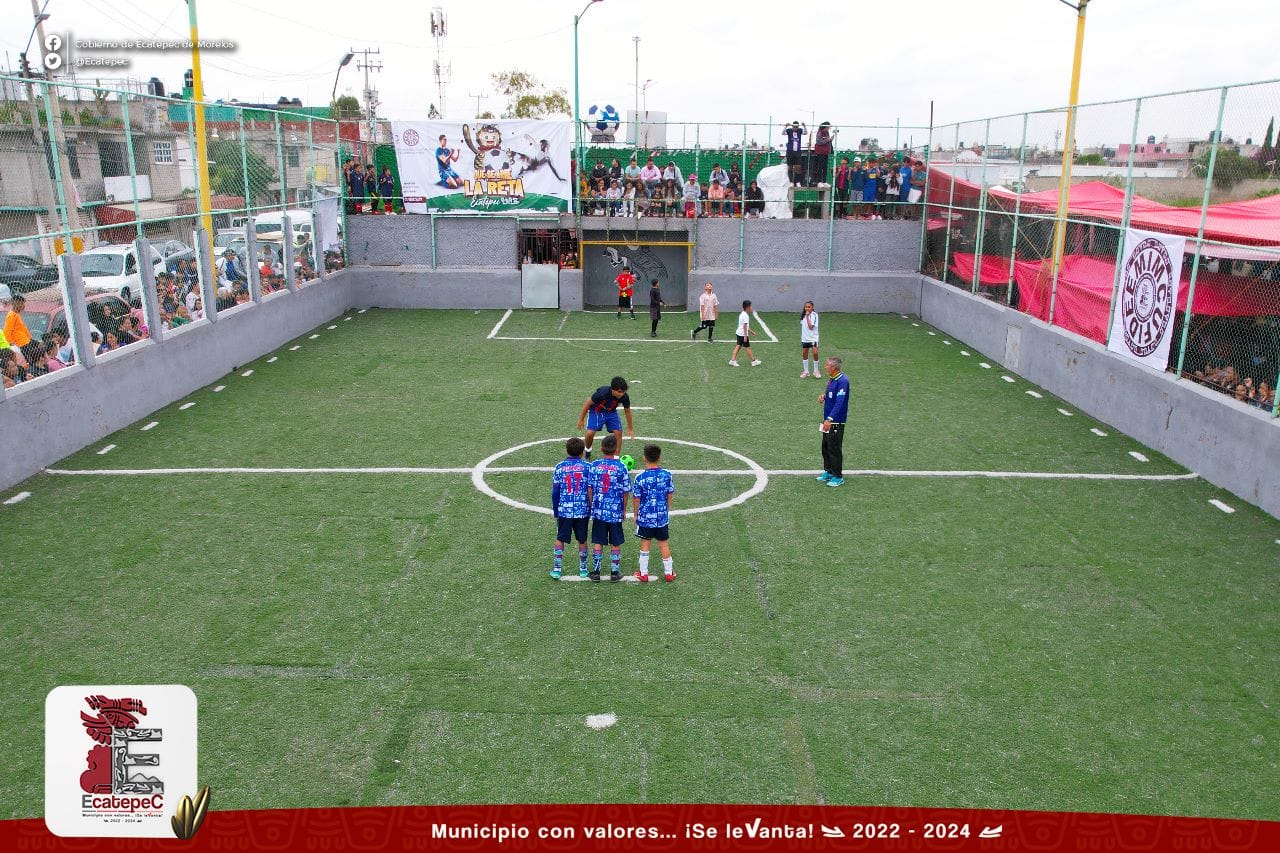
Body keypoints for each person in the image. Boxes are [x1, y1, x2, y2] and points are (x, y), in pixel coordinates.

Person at [587, 434, 631, 582]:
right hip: (615, 512)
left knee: (598, 541)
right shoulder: (622, 467)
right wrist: (624, 510)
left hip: (599, 511)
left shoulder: (594, 465)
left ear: (601, 449)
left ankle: (596, 572)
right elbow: (626, 492)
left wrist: (592, 505)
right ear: (616, 449)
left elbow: (590, 488)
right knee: (615, 542)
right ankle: (614, 572)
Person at [631, 443, 675, 582]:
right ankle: (668, 573)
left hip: (645, 518)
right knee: (663, 543)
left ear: (644, 458)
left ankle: (643, 573)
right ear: (659, 458)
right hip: (661, 517)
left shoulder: (640, 478)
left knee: (645, 543)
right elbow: (669, 494)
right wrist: (666, 510)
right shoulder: (667, 475)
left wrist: (636, 514)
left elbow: (636, 499)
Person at [550, 437, 592, 580]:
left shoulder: (560, 467)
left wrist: (556, 510)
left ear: (567, 451)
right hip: (582, 510)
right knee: (582, 539)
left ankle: (557, 569)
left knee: (560, 538)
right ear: (582, 452)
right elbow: (591, 489)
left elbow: (555, 491)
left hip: (565, 510)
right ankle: (583, 569)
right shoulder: (588, 467)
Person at [577, 376, 635, 461]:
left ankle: (616, 458)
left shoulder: (624, 397)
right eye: (619, 392)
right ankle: (588, 450)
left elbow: (627, 411)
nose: (621, 394)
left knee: (618, 433)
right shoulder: (602, 394)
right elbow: (588, 403)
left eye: (623, 392)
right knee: (590, 433)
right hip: (596, 411)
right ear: (612, 389)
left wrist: (630, 429)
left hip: (611, 412)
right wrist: (581, 419)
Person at [816, 356, 850, 487]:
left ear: (834, 368)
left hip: (835, 421)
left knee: (834, 448)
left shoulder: (843, 381)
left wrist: (830, 419)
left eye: (827, 365)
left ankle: (837, 476)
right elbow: (833, 396)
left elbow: (840, 402)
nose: (825, 367)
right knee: (825, 447)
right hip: (827, 420)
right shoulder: (832, 379)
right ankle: (828, 471)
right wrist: (824, 396)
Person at [729, 299, 762, 367]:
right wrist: (745, 336)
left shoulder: (742, 314)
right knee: (747, 348)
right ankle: (753, 361)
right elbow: (744, 326)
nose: (751, 308)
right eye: (750, 306)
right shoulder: (745, 316)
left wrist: (751, 332)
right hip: (742, 335)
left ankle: (732, 360)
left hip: (739, 333)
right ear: (747, 307)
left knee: (738, 346)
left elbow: (744, 326)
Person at [800, 300, 820, 377]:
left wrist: (808, 317)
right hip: (805, 339)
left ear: (812, 307)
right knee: (804, 353)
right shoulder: (803, 316)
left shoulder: (814, 315)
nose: (807, 308)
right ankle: (806, 371)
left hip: (813, 338)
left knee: (815, 353)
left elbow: (811, 327)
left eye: (809, 307)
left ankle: (816, 371)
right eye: (806, 307)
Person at [783, 120, 806, 186]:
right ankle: (791, 182)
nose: (795, 128)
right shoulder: (789, 130)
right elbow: (783, 133)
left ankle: (797, 181)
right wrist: (786, 126)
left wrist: (804, 126)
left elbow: (805, 133)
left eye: (796, 127)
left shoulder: (800, 130)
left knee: (798, 167)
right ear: (792, 126)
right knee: (790, 167)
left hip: (797, 151)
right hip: (790, 151)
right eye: (794, 126)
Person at [812, 122, 834, 186]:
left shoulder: (827, 133)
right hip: (820, 152)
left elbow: (827, 141)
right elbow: (819, 142)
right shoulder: (819, 133)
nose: (828, 129)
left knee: (825, 167)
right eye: (827, 127)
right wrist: (828, 139)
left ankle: (824, 181)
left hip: (826, 152)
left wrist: (830, 139)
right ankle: (819, 181)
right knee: (820, 166)